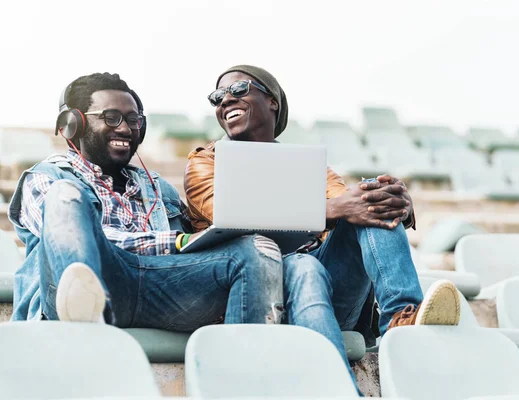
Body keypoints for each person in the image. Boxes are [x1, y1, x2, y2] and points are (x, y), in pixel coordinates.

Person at [184, 66, 462, 360]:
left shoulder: (309, 167)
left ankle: (402, 318)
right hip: (250, 296)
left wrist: (393, 202)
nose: (225, 100)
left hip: (328, 290)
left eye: (238, 89)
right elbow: (230, 212)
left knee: (368, 192)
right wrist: (332, 209)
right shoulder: (205, 163)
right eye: (217, 97)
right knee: (304, 266)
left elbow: (351, 203)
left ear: (272, 101)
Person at [9, 72, 286, 329]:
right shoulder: (47, 178)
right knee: (65, 194)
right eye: (111, 117)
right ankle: (88, 322)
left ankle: (246, 368)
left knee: (255, 250)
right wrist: (176, 242)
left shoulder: (160, 189)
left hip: (161, 286)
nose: (126, 129)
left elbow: (197, 253)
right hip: (94, 281)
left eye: (133, 120)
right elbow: (78, 239)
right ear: (74, 125)